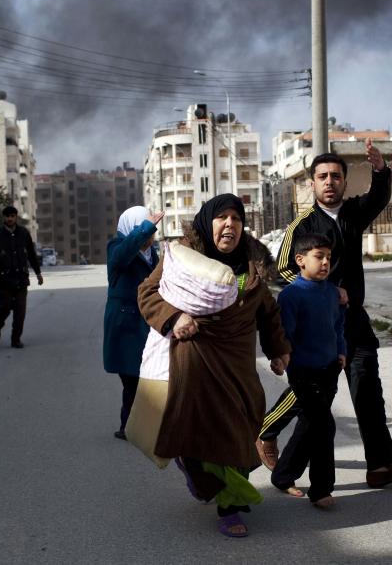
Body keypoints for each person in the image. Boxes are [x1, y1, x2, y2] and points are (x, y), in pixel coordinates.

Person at [257, 144, 392, 489]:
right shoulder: (301, 226)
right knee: (312, 393)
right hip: (317, 327)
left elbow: (379, 197)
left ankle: (379, 465)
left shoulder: (353, 213)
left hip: (354, 323)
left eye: (335, 176)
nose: (329, 182)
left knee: (368, 392)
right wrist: (325, 291)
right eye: (322, 177)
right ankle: (266, 430)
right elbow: (282, 271)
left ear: (344, 181)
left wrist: (380, 170)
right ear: (311, 184)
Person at [137, 194, 291, 539]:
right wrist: (174, 318)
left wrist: (279, 350)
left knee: (241, 431)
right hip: (194, 361)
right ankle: (230, 506)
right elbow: (148, 293)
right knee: (199, 432)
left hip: (238, 367)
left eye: (236, 219)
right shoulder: (181, 259)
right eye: (222, 217)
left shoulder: (251, 266)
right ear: (208, 222)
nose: (230, 225)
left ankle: (220, 485)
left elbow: (267, 311)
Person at [269, 233, 345, 509]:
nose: (325, 262)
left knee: (310, 424)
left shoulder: (332, 292)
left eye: (328, 257)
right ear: (300, 261)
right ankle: (321, 489)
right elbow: (283, 334)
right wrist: (280, 358)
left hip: (329, 370)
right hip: (303, 372)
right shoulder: (292, 295)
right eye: (319, 257)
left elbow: (338, 326)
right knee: (325, 425)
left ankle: (283, 475)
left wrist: (342, 351)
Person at [102, 206, 162, 440]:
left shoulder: (152, 254)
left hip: (147, 322)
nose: (149, 238)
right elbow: (125, 253)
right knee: (132, 377)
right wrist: (145, 227)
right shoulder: (117, 247)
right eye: (145, 232)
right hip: (125, 324)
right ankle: (130, 426)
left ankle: (132, 425)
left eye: (151, 233)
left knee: (145, 377)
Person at [0, 206, 43, 349]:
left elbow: (31, 254)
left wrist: (38, 273)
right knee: (5, 307)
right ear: (3, 217)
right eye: (7, 216)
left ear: (16, 217)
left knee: (20, 312)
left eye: (12, 216)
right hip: (4, 279)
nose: (9, 219)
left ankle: (16, 339)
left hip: (21, 278)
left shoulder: (23, 233)